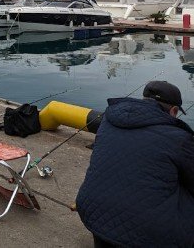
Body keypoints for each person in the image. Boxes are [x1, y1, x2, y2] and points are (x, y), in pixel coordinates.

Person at [76, 80, 194, 247]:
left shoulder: (108, 119)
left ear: (144, 99)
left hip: (91, 211)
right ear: (174, 111)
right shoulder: (179, 138)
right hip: (152, 231)